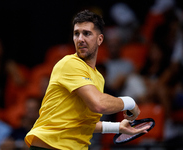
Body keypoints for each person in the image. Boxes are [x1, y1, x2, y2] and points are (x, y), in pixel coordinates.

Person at [25, 10, 150, 150]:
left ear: (100, 39)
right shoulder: (69, 63)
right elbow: (99, 104)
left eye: (87, 33)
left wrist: (117, 127)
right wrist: (130, 102)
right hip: (49, 146)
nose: (80, 39)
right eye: (76, 33)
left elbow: (82, 123)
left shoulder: (98, 78)